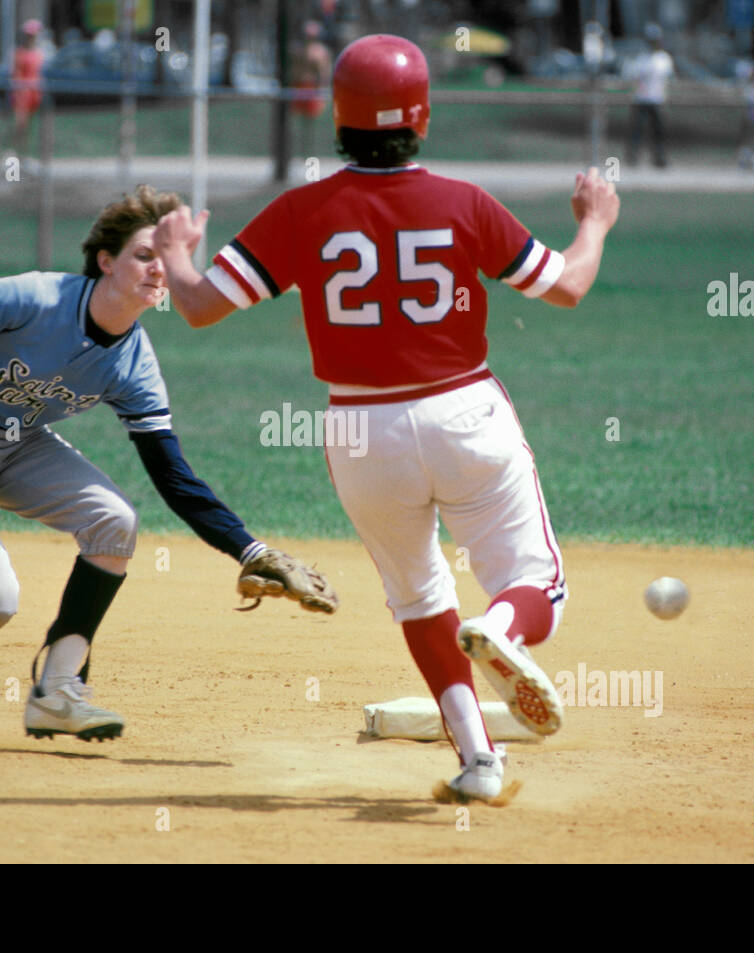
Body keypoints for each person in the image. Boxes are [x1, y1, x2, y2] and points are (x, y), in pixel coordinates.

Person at [152, 35, 619, 804]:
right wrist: (595, 221)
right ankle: (504, 623)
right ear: (423, 118)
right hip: (464, 409)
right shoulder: (463, 202)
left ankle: (478, 758)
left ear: (338, 121)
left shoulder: (303, 210)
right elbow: (565, 287)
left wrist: (174, 252)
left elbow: (199, 306)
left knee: (417, 594)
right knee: (535, 583)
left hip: (360, 430)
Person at [0, 185, 334, 747]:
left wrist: (252, 551)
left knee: (115, 520)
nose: (158, 270)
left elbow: (173, 477)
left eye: (166, 260)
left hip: (21, 441)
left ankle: (58, 692)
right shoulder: (37, 297)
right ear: (106, 260)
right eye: (144, 255)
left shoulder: (135, 364)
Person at [625, 22, 673, 169]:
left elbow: (668, 79)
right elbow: (632, 77)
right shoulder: (641, 58)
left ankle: (659, 158)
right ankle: (633, 158)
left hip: (657, 99)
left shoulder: (664, 59)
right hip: (641, 99)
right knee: (637, 131)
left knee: (659, 131)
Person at [291, 19, 333, 158]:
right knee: (295, 121)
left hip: (312, 89)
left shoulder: (320, 52)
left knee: (312, 123)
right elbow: (294, 71)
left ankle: (311, 154)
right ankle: (295, 152)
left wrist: (322, 90)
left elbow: (324, 73)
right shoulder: (297, 50)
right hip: (299, 88)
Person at [10, 19, 45, 156]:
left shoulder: (38, 53)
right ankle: (14, 154)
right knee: (20, 125)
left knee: (29, 127)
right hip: (23, 93)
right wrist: (19, 93)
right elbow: (17, 74)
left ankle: (24, 155)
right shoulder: (20, 52)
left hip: (34, 93)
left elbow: (38, 73)